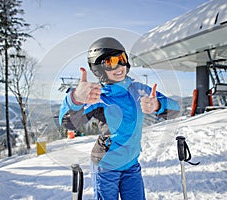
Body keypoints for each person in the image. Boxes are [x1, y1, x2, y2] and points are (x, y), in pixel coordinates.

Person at [59, 37, 180, 200]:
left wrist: (158, 105)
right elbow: (69, 123)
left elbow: (175, 109)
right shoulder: (97, 96)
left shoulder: (138, 90)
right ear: (98, 68)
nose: (119, 67)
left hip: (131, 165)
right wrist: (75, 99)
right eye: (111, 62)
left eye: (122, 59)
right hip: (106, 167)